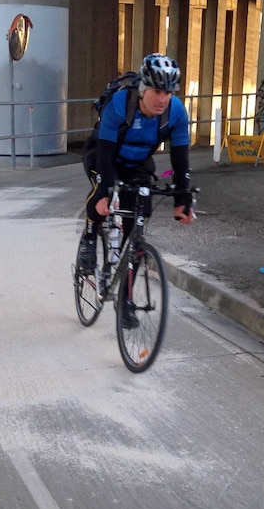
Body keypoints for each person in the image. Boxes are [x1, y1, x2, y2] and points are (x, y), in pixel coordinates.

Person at [77, 53, 195, 327]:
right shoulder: (120, 105)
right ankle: (90, 236)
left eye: (168, 92)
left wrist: (183, 198)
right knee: (100, 192)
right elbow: (105, 152)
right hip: (103, 154)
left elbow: (180, 158)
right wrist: (106, 192)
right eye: (157, 91)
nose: (162, 98)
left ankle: (125, 300)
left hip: (137, 163)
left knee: (136, 224)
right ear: (143, 88)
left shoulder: (175, 112)